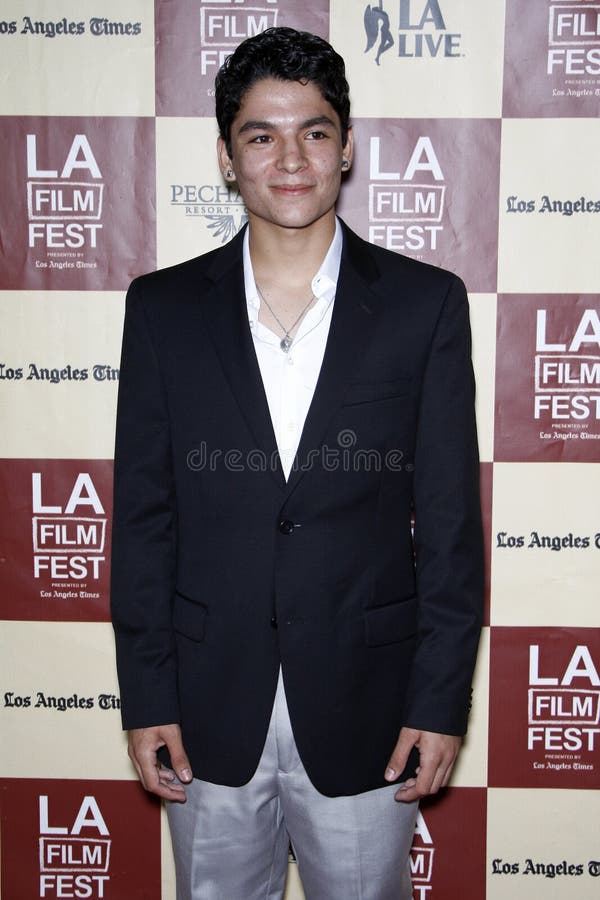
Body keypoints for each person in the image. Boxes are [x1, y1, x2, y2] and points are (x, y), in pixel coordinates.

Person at [111, 26, 483, 900]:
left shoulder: (424, 305)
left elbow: (451, 526)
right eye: (261, 135)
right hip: (206, 707)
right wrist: (147, 696)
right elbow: (142, 520)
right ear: (226, 155)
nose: (290, 160)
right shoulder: (162, 309)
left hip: (369, 706)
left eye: (314, 132)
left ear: (346, 148)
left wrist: (438, 703)